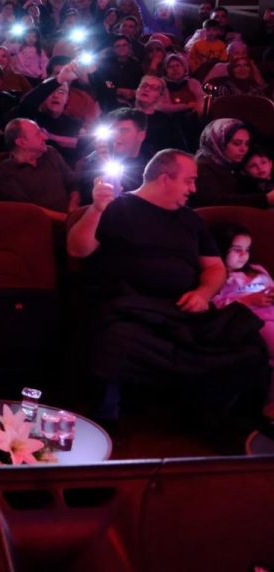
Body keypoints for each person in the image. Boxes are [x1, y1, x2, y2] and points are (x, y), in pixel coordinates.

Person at [66, 150, 269, 425]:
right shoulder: (116, 207)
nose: (193, 189)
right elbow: (77, 249)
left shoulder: (191, 220)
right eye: (189, 180)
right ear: (164, 179)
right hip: (131, 308)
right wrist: (97, 209)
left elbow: (215, 267)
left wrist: (203, 293)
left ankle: (226, 422)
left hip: (184, 312)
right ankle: (106, 420)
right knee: (115, 338)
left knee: (247, 339)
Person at [212, 224, 274, 417]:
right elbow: (216, 307)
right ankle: (269, 408)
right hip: (255, 320)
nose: (243, 255)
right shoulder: (217, 277)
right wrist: (248, 300)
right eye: (236, 249)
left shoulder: (256, 270)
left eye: (247, 249)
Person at [0, 118, 80, 214]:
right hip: (41, 221)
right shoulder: (5, 171)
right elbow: (26, 209)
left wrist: (73, 205)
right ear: (22, 143)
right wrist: (65, 218)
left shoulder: (50, 152)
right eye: (38, 134)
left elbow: (73, 183)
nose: (45, 137)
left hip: (71, 215)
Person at [192, 119, 274, 209]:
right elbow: (214, 202)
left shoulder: (228, 165)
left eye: (247, 144)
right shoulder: (202, 167)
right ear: (219, 142)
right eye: (236, 143)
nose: (243, 149)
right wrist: (265, 199)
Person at [78, 108, 148, 204]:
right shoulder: (96, 158)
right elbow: (87, 199)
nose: (115, 135)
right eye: (113, 130)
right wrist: (103, 165)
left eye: (123, 130)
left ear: (141, 136)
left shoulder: (149, 166)